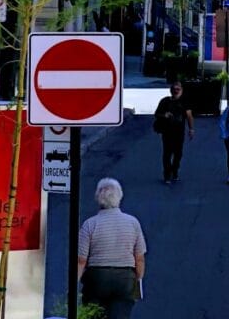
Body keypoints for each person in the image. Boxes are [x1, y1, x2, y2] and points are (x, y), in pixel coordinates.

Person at [77, 178, 146, 319]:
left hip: (97, 278)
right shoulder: (133, 223)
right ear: (119, 197)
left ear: (98, 198)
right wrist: (137, 281)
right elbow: (139, 258)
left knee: (93, 315)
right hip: (125, 279)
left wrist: (73, 285)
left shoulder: (90, 224)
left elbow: (81, 261)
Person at [154, 83, 194, 183]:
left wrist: (191, 129)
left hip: (179, 132)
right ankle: (167, 174)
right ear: (170, 90)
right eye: (174, 89)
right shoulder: (165, 101)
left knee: (178, 154)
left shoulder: (185, 102)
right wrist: (164, 115)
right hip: (167, 132)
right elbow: (156, 113)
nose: (176, 91)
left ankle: (175, 171)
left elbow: (189, 116)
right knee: (167, 153)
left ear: (182, 90)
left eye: (178, 89)